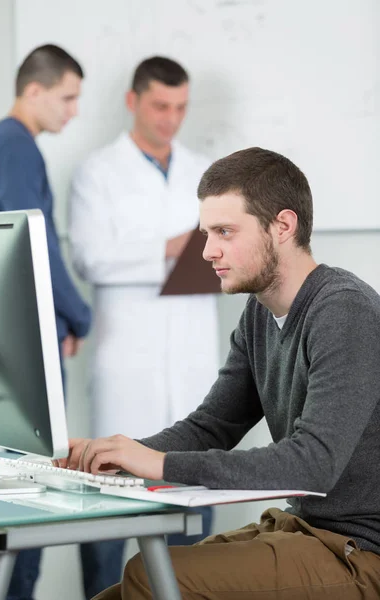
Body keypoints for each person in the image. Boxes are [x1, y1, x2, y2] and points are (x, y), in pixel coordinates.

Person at [64, 147, 380, 599]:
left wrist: (160, 465)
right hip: (307, 531)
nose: (207, 250)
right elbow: (212, 426)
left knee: (150, 577)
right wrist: (120, 455)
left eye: (224, 232)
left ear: (283, 227)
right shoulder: (258, 314)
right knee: (111, 597)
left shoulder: (344, 309)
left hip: (361, 553)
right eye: (205, 233)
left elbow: (314, 464)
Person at [68, 56, 219, 585]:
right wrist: (168, 248)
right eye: (160, 106)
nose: (170, 119)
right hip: (127, 363)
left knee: (194, 522)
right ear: (133, 102)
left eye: (180, 107)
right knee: (109, 508)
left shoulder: (207, 171)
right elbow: (89, 257)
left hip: (192, 362)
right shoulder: (98, 171)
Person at [0, 45, 96, 600]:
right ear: (33, 90)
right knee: (29, 499)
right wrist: (78, 314)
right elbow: (36, 242)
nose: (73, 111)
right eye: (67, 97)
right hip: (24, 352)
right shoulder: (16, 147)